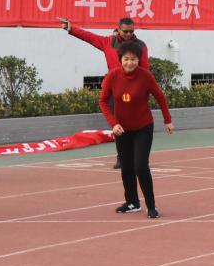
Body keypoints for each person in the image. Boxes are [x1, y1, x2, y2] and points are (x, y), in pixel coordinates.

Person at [61, 16, 149, 169]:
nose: (129, 34)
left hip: (134, 91)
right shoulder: (108, 42)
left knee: (137, 126)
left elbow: (145, 69)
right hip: (115, 90)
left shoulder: (140, 46)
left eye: (131, 31)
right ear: (118, 30)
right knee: (118, 126)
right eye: (125, 31)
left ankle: (140, 158)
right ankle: (122, 158)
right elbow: (89, 37)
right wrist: (71, 28)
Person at [99, 41, 174, 218]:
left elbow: (160, 97)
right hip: (122, 130)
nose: (129, 63)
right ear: (120, 59)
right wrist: (113, 123)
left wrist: (167, 120)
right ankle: (132, 203)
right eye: (126, 59)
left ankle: (151, 206)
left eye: (133, 59)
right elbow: (103, 101)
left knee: (140, 166)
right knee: (126, 167)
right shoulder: (113, 76)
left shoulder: (145, 76)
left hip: (143, 127)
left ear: (139, 60)